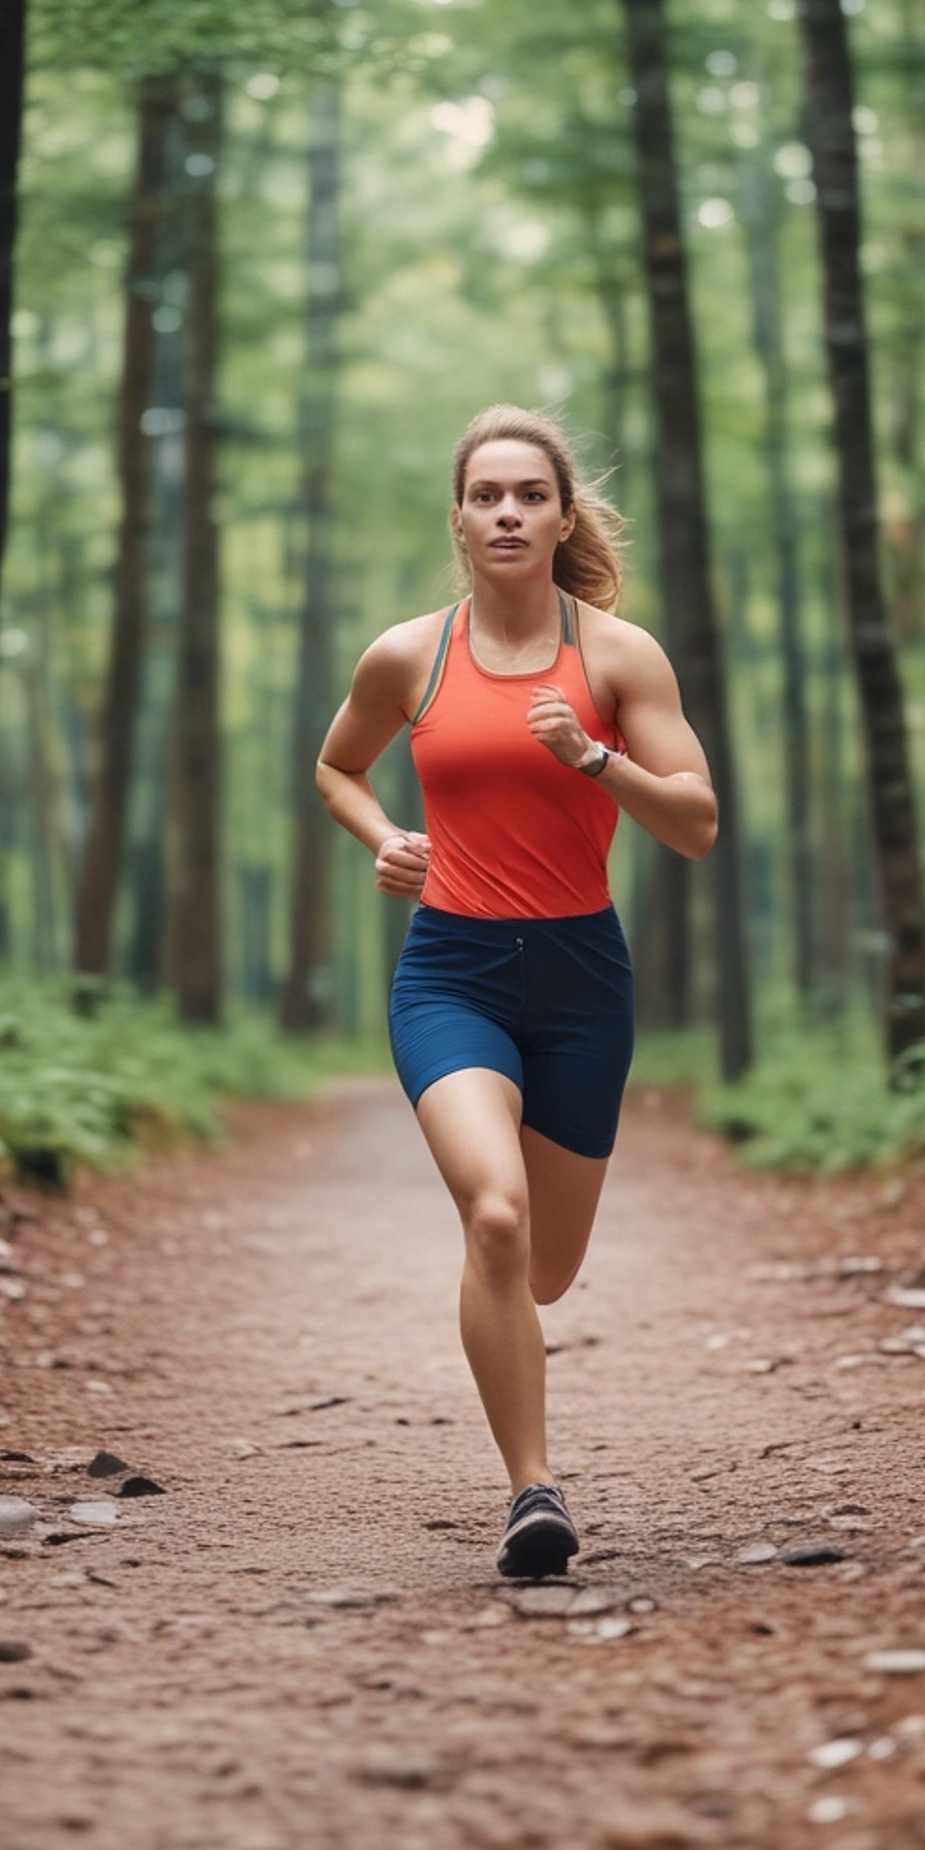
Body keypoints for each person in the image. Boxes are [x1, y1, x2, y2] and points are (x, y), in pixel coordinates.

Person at [313, 404, 719, 1578]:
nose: (506, 512)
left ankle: (512, 1327)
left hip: (585, 977)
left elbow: (695, 824)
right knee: (495, 1214)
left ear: (561, 516)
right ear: (459, 516)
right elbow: (338, 767)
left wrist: (595, 757)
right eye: (486, 495)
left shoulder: (617, 657)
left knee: (543, 1267)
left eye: (529, 495)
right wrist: (386, 835)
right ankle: (532, 1491)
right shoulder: (409, 655)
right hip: (453, 969)